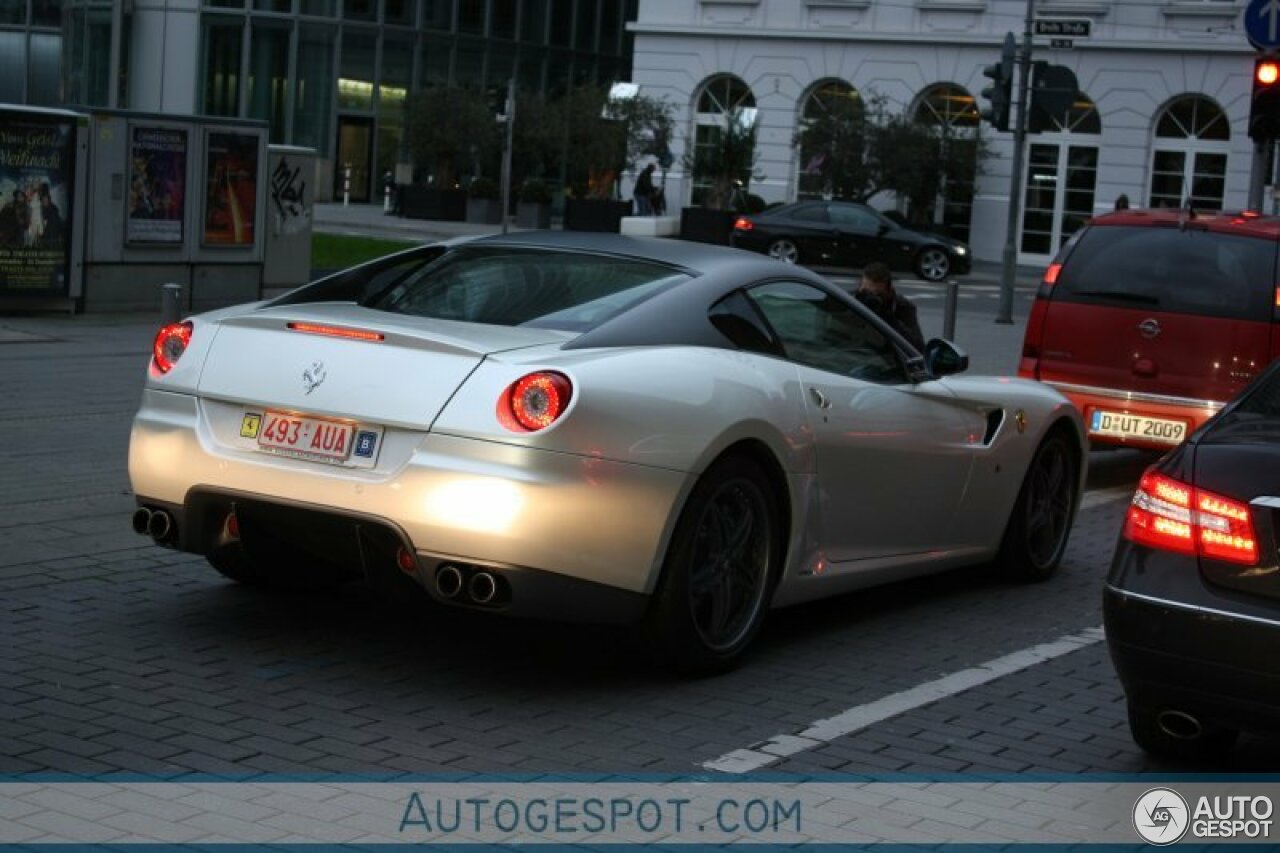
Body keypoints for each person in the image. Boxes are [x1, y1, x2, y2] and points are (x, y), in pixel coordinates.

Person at [855, 262, 925, 352]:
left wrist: (888, 317)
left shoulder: (901, 307)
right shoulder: (852, 301)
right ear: (860, 287)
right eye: (866, 292)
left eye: (877, 294)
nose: (870, 298)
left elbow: (917, 347)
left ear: (888, 291)